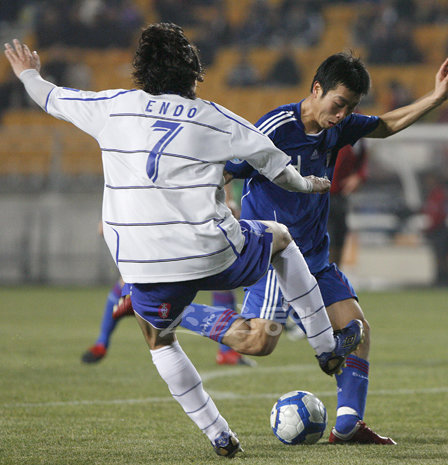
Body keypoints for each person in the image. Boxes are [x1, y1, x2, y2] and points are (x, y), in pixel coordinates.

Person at [5, 24, 363, 458]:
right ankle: (326, 349)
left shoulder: (113, 106)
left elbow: (48, 96)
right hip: (210, 251)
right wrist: (307, 185)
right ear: (195, 75)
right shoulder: (214, 116)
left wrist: (27, 73)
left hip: (140, 263)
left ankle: (219, 435)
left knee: (159, 338)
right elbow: (276, 165)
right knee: (282, 239)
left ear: (142, 73)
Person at [175, 51, 448, 445]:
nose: (342, 115)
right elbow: (226, 169)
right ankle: (170, 310)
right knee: (259, 341)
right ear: (316, 89)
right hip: (275, 257)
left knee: (357, 331)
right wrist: (207, 212)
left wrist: (436, 97)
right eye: (338, 103)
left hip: (315, 258)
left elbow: (385, 125)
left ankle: (348, 426)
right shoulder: (276, 127)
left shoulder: (335, 129)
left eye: (350, 108)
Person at [328, 141, 368, 266]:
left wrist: (358, 177)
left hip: (338, 195)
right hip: (314, 194)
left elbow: (362, 162)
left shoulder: (357, 139)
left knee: (338, 236)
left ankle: (332, 272)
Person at [422, 172, 448, 287]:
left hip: (440, 230)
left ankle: (445, 280)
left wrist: (430, 227)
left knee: (441, 257)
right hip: (436, 230)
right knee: (438, 257)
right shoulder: (432, 195)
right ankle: (441, 279)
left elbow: (440, 214)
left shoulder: (439, 195)